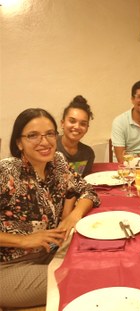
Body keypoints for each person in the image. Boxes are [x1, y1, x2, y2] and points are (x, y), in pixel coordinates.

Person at [0, 108, 100, 309]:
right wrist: (22, 240)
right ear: (19, 142)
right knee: (85, 281)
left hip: (48, 253)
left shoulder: (58, 162)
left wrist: (74, 215)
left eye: (49, 134)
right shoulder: (7, 172)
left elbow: (88, 191)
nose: (44, 142)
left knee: (101, 261)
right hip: (9, 267)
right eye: (33, 135)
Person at [57, 95, 95, 177]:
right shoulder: (50, 147)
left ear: (87, 128)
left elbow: (85, 182)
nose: (77, 127)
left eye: (83, 124)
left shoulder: (88, 153)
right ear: (62, 123)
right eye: (72, 121)